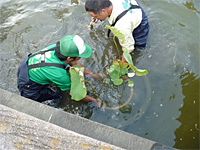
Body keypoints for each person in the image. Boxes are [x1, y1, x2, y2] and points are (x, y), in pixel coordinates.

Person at [17, 35, 101, 104]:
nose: (81, 57)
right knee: (58, 96)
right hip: (28, 85)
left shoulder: (59, 48)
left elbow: (74, 63)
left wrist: (92, 74)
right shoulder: (60, 74)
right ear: (69, 58)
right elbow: (73, 92)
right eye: (80, 55)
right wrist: (95, 101)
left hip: (28, 66)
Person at [85, 0, 149, 63]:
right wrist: (97, 17)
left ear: (103, 11)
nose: (93, 18)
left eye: (95, 16)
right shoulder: (108, 4)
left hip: (139, 22)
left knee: (138, 48)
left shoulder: (122, 26)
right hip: (131, 7)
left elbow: (128, 48)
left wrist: (122, 65)